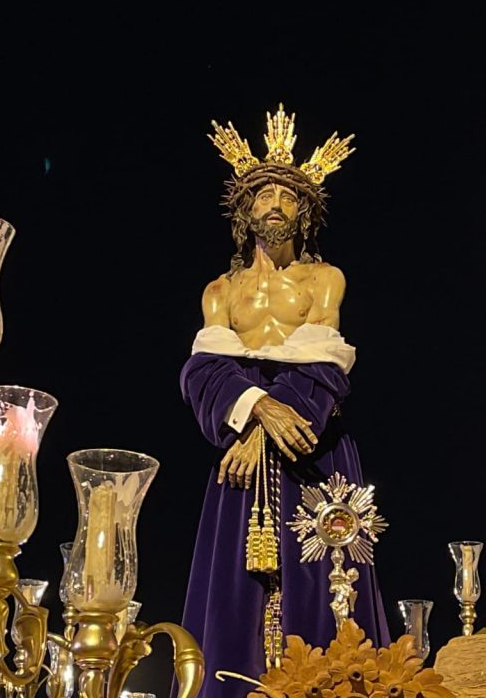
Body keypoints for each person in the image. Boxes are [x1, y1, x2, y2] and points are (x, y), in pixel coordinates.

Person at [178, 105, 389, 693]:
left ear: (305, 212)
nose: (275, 203)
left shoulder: (324, 279)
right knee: (234, 590)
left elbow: (325, 362)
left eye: (287, 196)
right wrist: (254, 412)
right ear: (245, 212)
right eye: (264, 194)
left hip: (311, 443)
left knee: (329, 581)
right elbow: (202, 371)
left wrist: (267, 421)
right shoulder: (220, 291)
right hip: (241, 450)